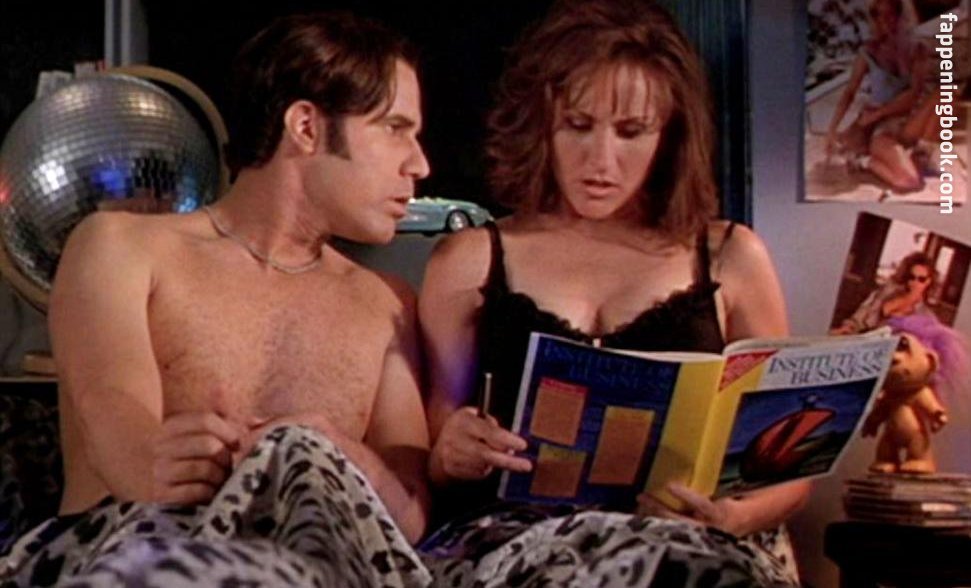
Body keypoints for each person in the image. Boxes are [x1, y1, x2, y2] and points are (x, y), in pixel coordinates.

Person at [3, 12, 434, 587]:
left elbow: (409, 519)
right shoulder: (121, 249)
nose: (419, 164)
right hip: (134, 559)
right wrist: (157, 459)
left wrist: (332, 456)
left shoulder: (386, 306)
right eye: (395, 128)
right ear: (306, 126)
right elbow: (113, 416)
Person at [418, 0, 809, 585]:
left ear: (669, 136)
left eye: (631, 132)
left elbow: (789, 469)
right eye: (577, 125)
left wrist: (733, 517)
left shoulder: (731, 257)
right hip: (526, 549)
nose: (600, 161)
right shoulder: (469, 260)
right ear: (541, 123)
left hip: (693, 547)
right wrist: (452, 453)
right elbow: (433, 453)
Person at [824, 0, 936, 193]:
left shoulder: (918, 49)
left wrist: (877, 113)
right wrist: (832, 129)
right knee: (910, 181)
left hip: (906, 122)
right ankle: (864, 161)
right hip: (881, 128)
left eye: (890, 15)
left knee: (945, 94)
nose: (885, 21)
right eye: (879, 16)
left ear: (901, 17)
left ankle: (921, 151)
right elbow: (849, 92)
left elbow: (913, 94)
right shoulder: (869, 51)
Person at [832, 250, 937, 335]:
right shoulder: (887, 292)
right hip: (864, 337)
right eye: (912, 277)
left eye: (921, 279)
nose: (915, 282)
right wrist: (847, 328)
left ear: (929, 281)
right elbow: (863, 313)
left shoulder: (927, 317)